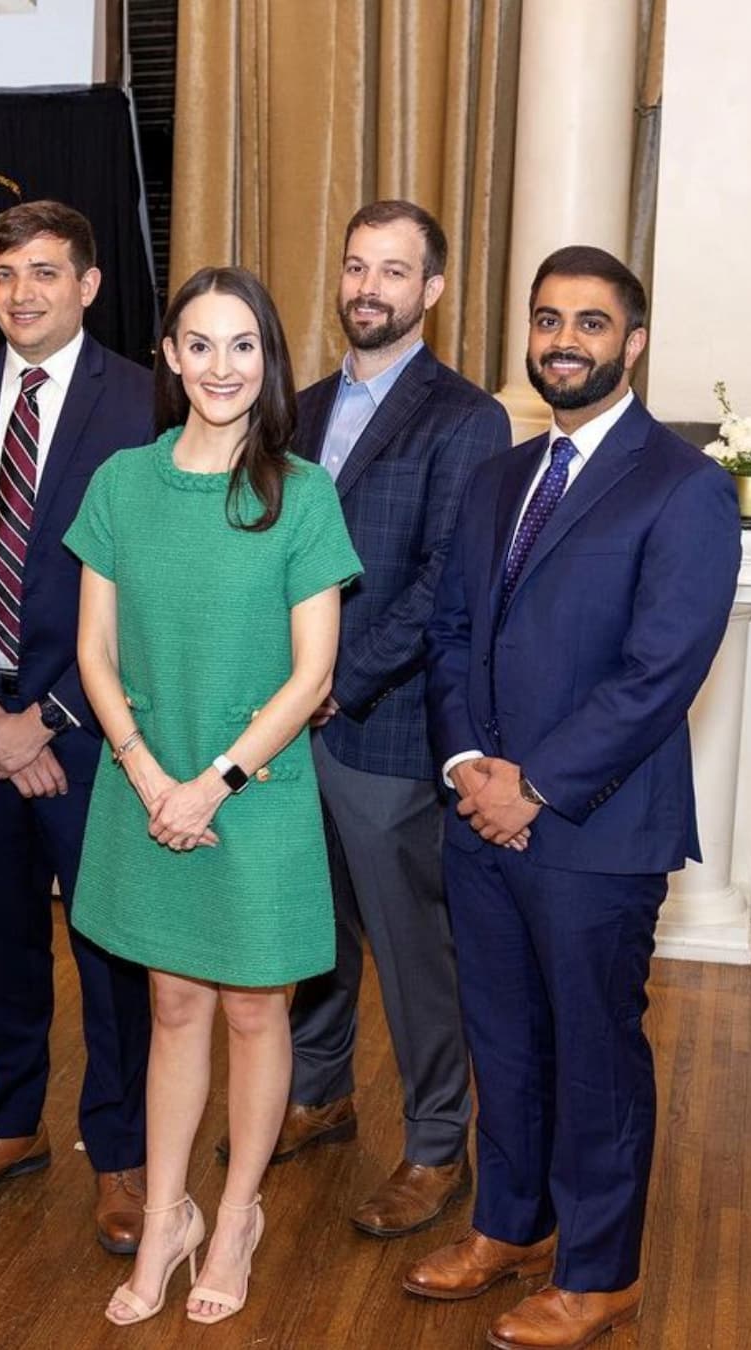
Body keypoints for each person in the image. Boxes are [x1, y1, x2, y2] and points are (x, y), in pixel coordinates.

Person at [409, 246, 739, 1350]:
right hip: (480, 816)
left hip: (596, 828)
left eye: (590, 324)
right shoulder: (500, 475)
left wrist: (536, 788)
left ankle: (599, 1273)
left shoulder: (682, 487)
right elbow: (450, 635)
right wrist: (466, 770)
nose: (563, 341)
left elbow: (659, 673)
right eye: (547, 320)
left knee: (592, 1049)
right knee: (501, 1036)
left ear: (631, 342)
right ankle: (510, 1224)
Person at [64, 267, 361, 1327]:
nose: (221, 366)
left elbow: (311, 675)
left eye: (243, 346)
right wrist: (151, 773)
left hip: (257, 794)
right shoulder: (119, 483)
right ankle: (166, 1216)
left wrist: (213, 783)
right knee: (171, 1004)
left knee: (250, 1008)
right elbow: (92, 652)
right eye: (200, 343)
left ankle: (237, 1213)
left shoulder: (302, 493)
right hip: (145, 785)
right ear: (170, 357)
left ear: (267, 363)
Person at [247, 200, 510, 1235]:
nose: (369, 287)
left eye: (393, 272)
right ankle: (319, 1094)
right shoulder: (296, 408)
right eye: (356, 266)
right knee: (311, 933)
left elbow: (445, 583)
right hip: (282, 724)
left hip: (385, 728)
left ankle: (438, 1142)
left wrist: (331, 681)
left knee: (412, 953)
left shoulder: (465, 417)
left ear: (431, 292)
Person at [0, 201, 155, 1252]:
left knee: (109, 949)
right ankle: (10, 1122)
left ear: (88, 285)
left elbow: (152, 592)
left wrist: (45, 720)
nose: (22, 293)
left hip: (96, 732)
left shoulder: (150, 404)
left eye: (46, 273)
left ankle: (124, 1149)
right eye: (6, 273)